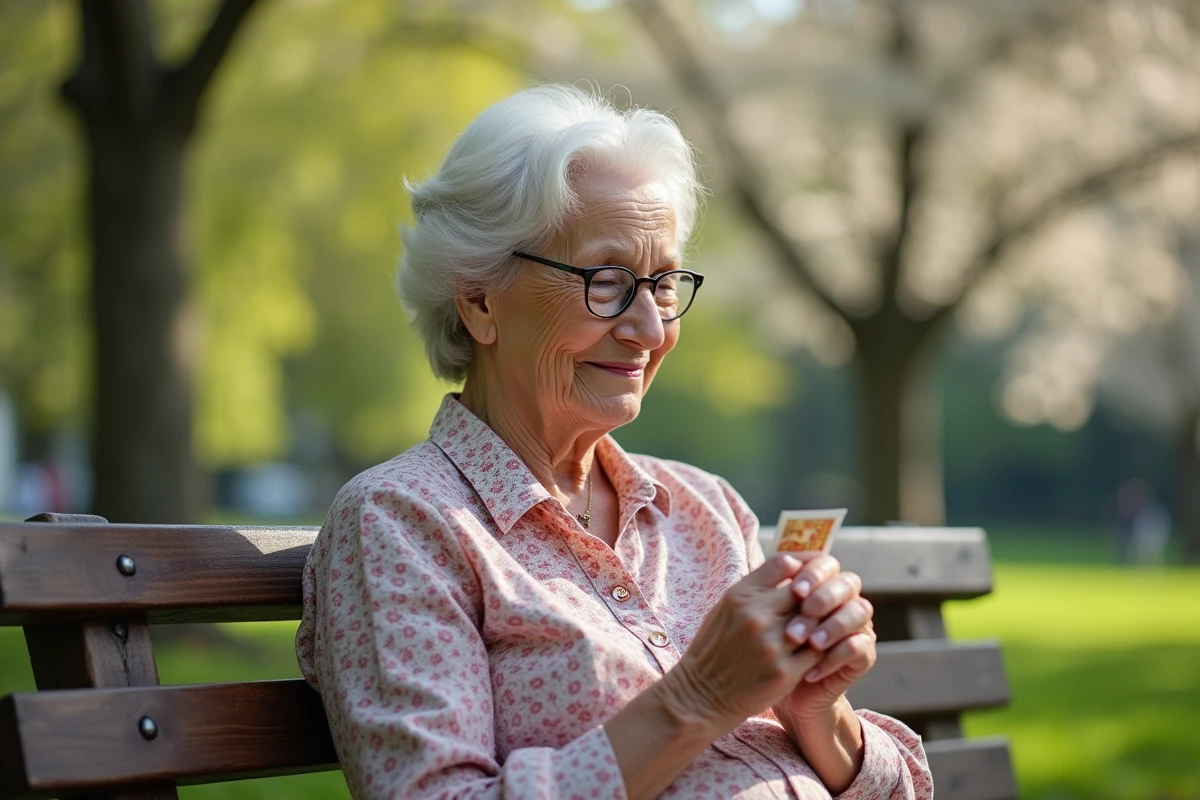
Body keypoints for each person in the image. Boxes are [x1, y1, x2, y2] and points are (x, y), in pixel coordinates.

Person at [296, 85, 932, 799]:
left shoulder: (705, 506)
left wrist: (820, 716)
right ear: (478, 300)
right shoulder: (401, 521)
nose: (650, 329)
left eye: (663, 285)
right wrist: (697, 700)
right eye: (607, 281)